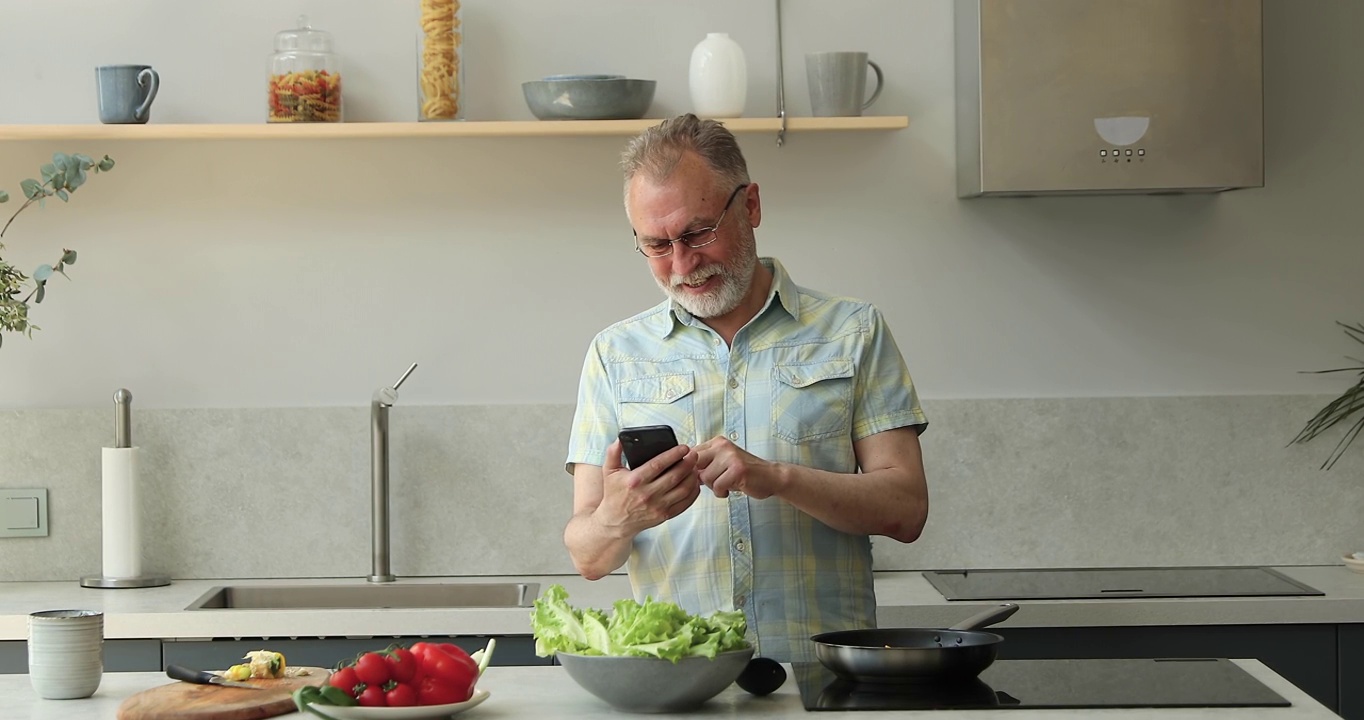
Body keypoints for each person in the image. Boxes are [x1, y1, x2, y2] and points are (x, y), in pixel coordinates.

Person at [562, 113, 929, 663]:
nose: (682, 264)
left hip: (822, 678)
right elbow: (588, 556)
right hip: (679, 684)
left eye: (698, 232)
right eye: (657, 245)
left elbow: (906, 509)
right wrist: (622, 516)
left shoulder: (853, 332)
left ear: (751, 205)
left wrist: (777, 477)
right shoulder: (615, 355)